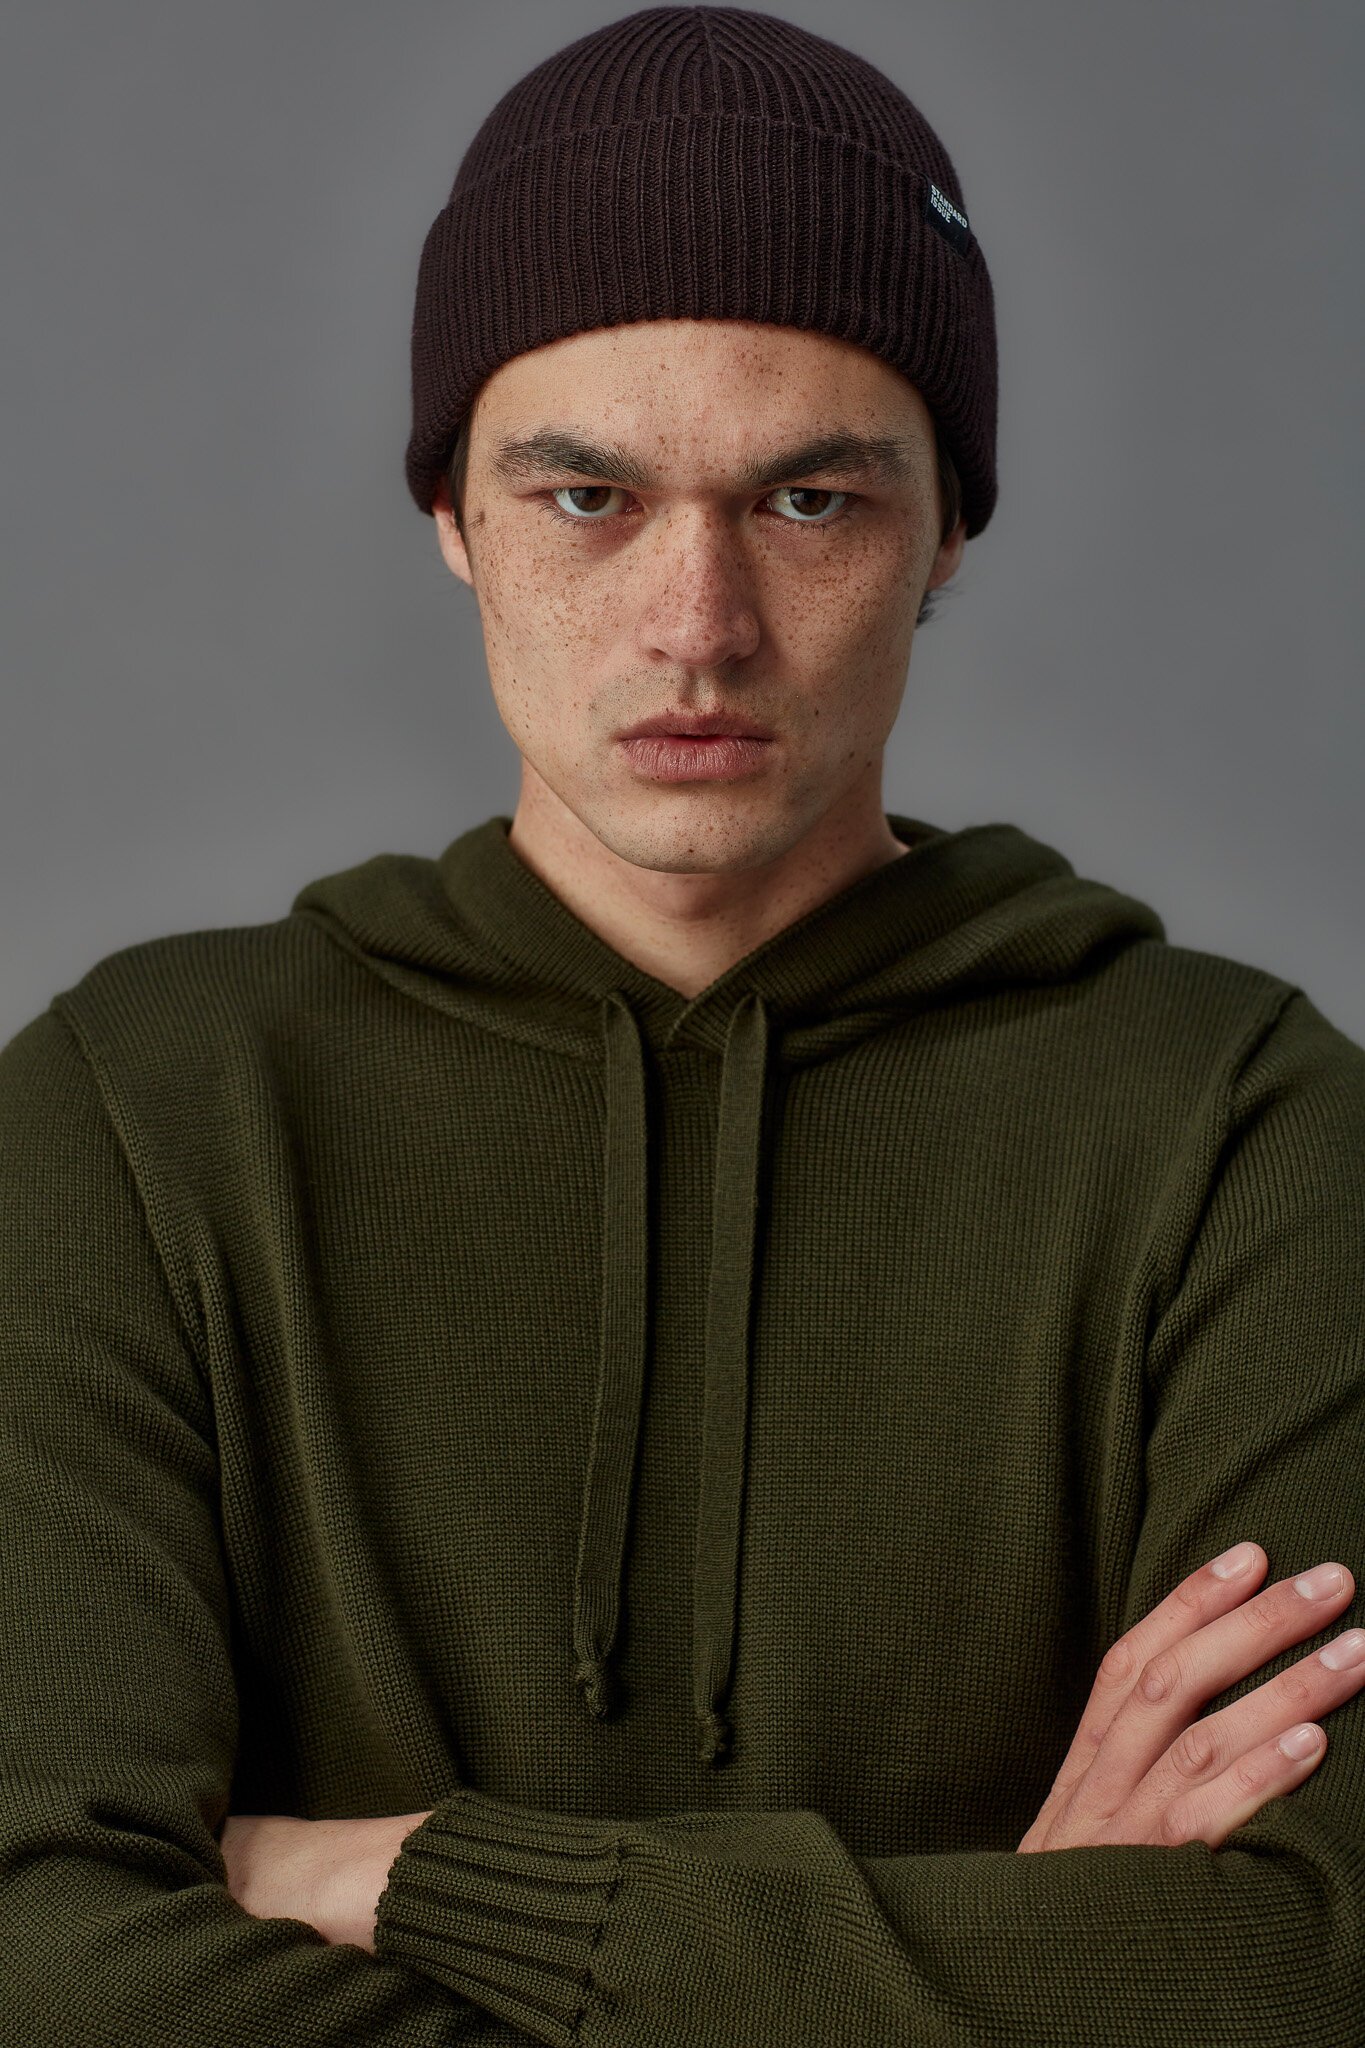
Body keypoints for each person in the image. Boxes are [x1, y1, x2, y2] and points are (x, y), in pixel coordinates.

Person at [1, 7, 1362, 2042]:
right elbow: (44, 1959)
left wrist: (398, 1875)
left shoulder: (1244, 1130)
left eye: (808, 502)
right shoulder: (136, 1113)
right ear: (450, 514)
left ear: (946, 529)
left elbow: (1305, 1970)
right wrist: (1006, 1965)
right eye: (585, 498)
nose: (695, 624)